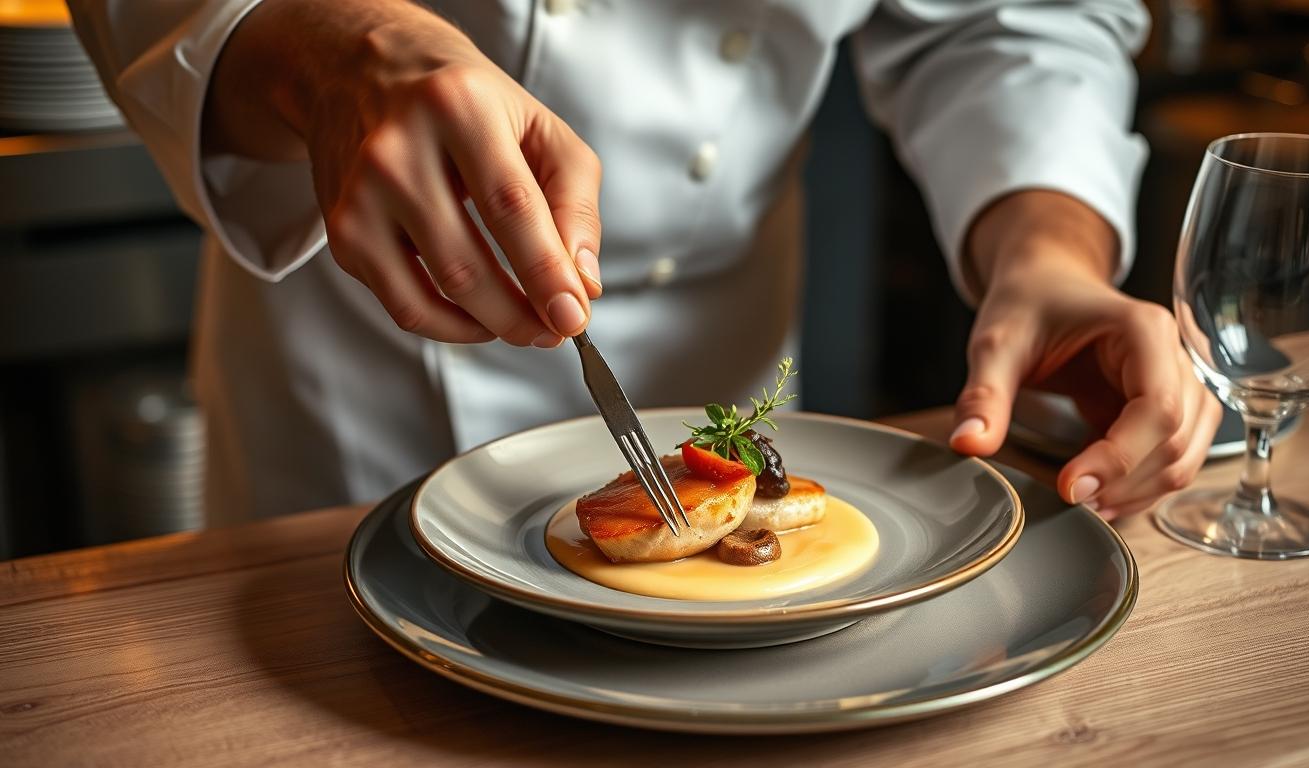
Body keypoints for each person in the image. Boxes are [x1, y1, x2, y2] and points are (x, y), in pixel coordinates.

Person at [68, 0, 1220, 525]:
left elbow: (1005, 19)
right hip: (347, 410)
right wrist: (324, 51)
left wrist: (1050, 250)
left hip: (725, 376)